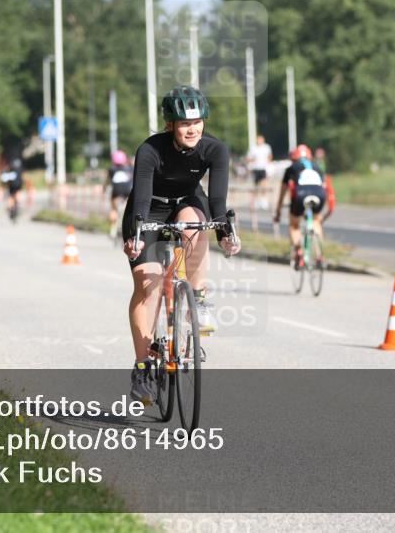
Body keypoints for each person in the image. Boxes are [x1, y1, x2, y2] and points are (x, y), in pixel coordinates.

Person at [122, 86, 241, 404]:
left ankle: (199, 298)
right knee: (149, 287)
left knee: (194, 222)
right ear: (170, 125)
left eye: (197, 122)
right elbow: (142, 198)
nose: (192, 129)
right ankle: (143, 366)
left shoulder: (215, 149)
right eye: (184, 123)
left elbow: (216, 199)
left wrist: (226, 233)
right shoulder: (150, 150)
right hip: (149, 210)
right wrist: (135, 236)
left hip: (187, 202)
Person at [272, 144, 335, 265]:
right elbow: (325, 187)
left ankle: (299, 251)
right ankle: (319, 254)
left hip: (301, 194)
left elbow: (283, 191)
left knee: (294, 225)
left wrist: (278, 209)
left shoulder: (291, 168)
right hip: (319, 194)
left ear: (294, 158)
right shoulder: (317, 167)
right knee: (316, 221)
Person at [106, 149, 134, 240]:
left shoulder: (111, 169)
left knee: (113, 208)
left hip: (116, 191)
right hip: (127, 190)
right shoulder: (130, 168)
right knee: (129, 208)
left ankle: (113, 231)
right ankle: (128, 227)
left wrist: (104, 189)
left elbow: (108, 181)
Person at [246, 134, 273, 210]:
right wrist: (252, 160)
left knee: (264, 184)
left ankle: (263, 200)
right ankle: (257, 200)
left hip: (263, 168)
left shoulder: (266, 147)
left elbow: (270, 156)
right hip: (255, 168)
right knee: (256, 185)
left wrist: (269, 164)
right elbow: (248, 158)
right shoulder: (253, 148)